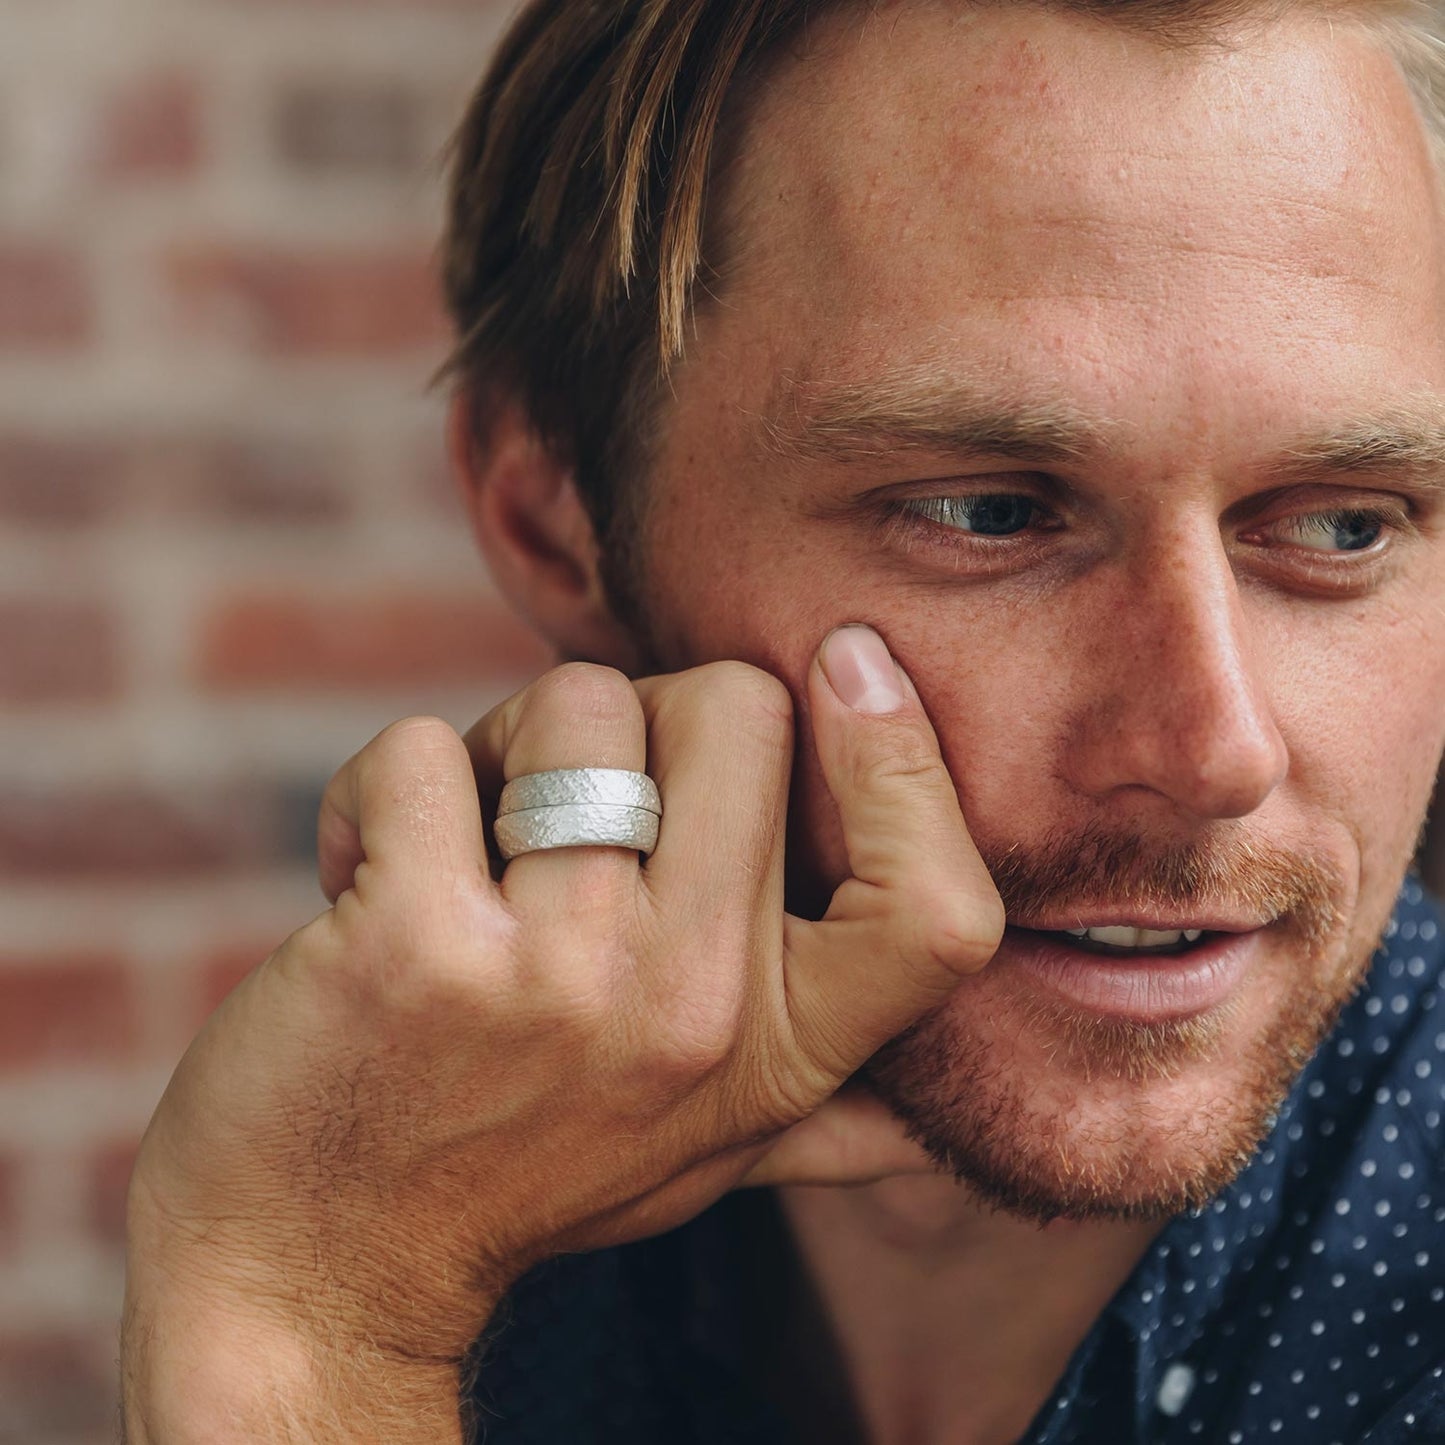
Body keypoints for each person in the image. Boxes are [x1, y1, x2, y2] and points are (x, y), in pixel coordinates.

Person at [120, 1, 1445, 1441]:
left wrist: (304, 1324)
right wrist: (370, 1264)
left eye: (1339, 525)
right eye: (986, 511)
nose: (1212, 751)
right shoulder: (485, 1231)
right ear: (553, 510)